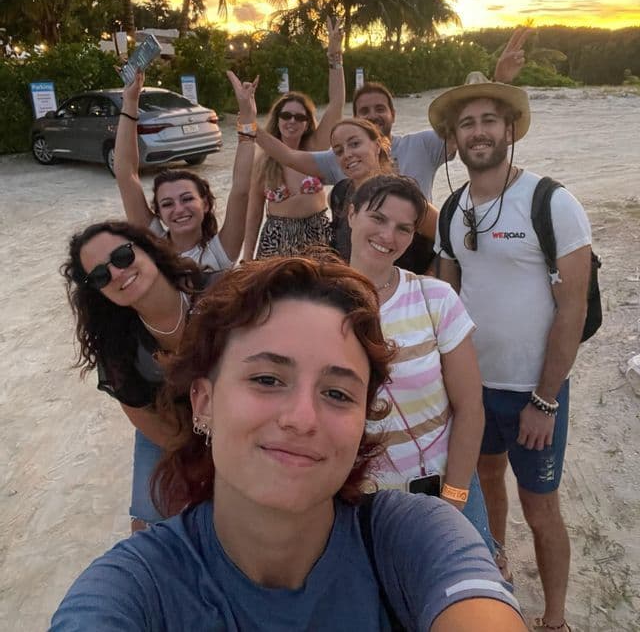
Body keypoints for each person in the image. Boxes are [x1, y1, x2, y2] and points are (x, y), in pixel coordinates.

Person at [51, 256, 524, 631]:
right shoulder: (134, 591)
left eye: (337, 393)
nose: (302, 418)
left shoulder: (412, 540)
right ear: (203, 402)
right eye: (266, 378)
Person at [429, 73, 592, 632]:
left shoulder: (552, 202)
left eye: (488, 121)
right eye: (467, 123)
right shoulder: (452, 211)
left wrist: (544, 401)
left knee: (541, 506)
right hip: (474, 389)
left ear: (510, 131)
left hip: (532, 392)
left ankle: (554, 619)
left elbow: (570, 312)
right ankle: (494, 564)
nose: (478, 132)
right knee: (485, 481)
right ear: (456, 136)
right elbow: (448, 301)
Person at [347, 174, 491, 551]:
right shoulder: (318, 302)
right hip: (358, 501)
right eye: (378, 218)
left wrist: (456, 499)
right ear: (351, 215)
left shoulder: (435, 298)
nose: (388, 236)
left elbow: (470, 408)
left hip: (444, 483)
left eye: (403, 228)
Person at [62, 221, 211, 532]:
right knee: (149, 522)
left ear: (146, 247)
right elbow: (155, 426)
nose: (116, 273)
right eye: (101, 275)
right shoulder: (118, 346)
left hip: (244, 419)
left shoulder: (219, 293)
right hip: (172, 428)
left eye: (121, 256)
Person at [307, 27, 531, 200]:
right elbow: (288, 157)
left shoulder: (421, 145)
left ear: (393, 114)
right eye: (364, 111)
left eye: (380, 109)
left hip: (422, 255)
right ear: (356, 119)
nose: (373, 115)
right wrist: (334, 59)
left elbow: (471, 128)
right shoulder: (341, 157)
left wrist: (500, 82)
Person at [114, 70, 258, 270]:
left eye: (187, 198)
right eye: (167, 204)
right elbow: (125, 173)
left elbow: (241, 191)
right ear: (158, 213)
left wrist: (248, 119)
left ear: (206, 204)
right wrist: (130, 102)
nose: (179, 209)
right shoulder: (154, 244)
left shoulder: (219, 252)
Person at [256, 117, 438, 272]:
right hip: (357, 298)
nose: (347, 154)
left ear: (376, 145)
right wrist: (249, 122)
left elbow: (449, 238)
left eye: (355, 144)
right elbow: (288, 157)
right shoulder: (339, 195)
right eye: (339, 151)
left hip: (404, 302)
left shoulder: (406, 197)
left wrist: (427, 283)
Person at [243, 18, 346, 259]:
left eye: (300, 117)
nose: (292, 121)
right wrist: (247, 257)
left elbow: (337, 102)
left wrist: (335, 57)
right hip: (276, 239)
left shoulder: (316, 150)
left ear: (308, 123)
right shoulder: (263, 159)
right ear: (277, 119)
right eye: (286, 115)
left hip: (317, 238)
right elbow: (254, 211)